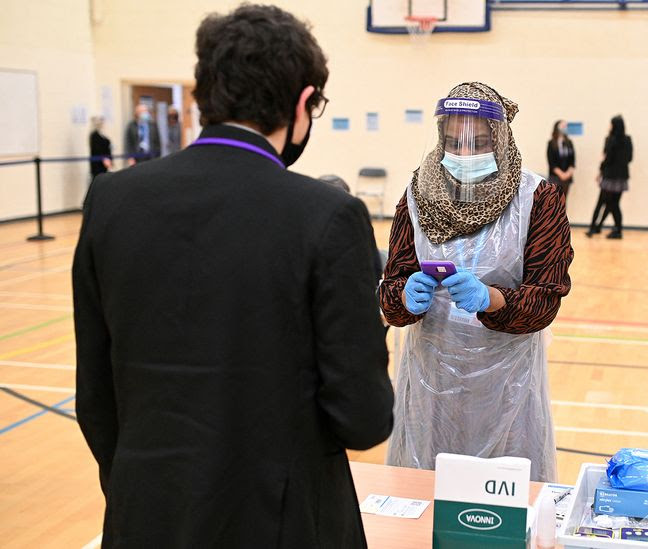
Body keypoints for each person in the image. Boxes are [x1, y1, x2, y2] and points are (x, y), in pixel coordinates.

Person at [72, 6, 394, 547]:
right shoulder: (327, 216)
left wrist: (142, 484)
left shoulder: (111, 200)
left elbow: (96, 397)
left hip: (146, 513)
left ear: (205, 94)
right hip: (283, 523)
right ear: (301, 103)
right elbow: (362, 419)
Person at [378, 82, 573, 483]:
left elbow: (546, 296)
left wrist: (493, 298)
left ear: (500, 140)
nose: (464, 154)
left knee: (505, 497)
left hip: (507, 383)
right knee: (424, 493)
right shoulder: (417, 195)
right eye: (453, 143)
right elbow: (392, 285)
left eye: (479, 143)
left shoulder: (537, 198)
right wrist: (402, 296)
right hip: (430, 378)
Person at [586, 115, 632, 239]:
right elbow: (629, 158)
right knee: (613, 204)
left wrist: (600, 171)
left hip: (610, 177)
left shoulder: (610, 140)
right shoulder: (628, 140)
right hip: (622, 177)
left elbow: (607, 159)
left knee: (604, 203)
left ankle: (597, 228)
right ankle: (606, 228)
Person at [547, 120, 575, 195]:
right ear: (557, 127)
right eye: (563, 126)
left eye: (566, 126)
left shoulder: (569, 143)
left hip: (567, 178)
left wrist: (568, 174)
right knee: (554, 201)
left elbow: (572, 161)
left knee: (564, 200)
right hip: (555, 177)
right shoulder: (551, 143)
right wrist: (561, 174)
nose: (565, 127)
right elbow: (551, 162)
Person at [88, 116, 112, 180]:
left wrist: (109, 159)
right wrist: (104, 159)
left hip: (104, 165)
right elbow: (97, 149)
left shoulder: (103, 135)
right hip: (98, 165)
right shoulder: (94, 136)